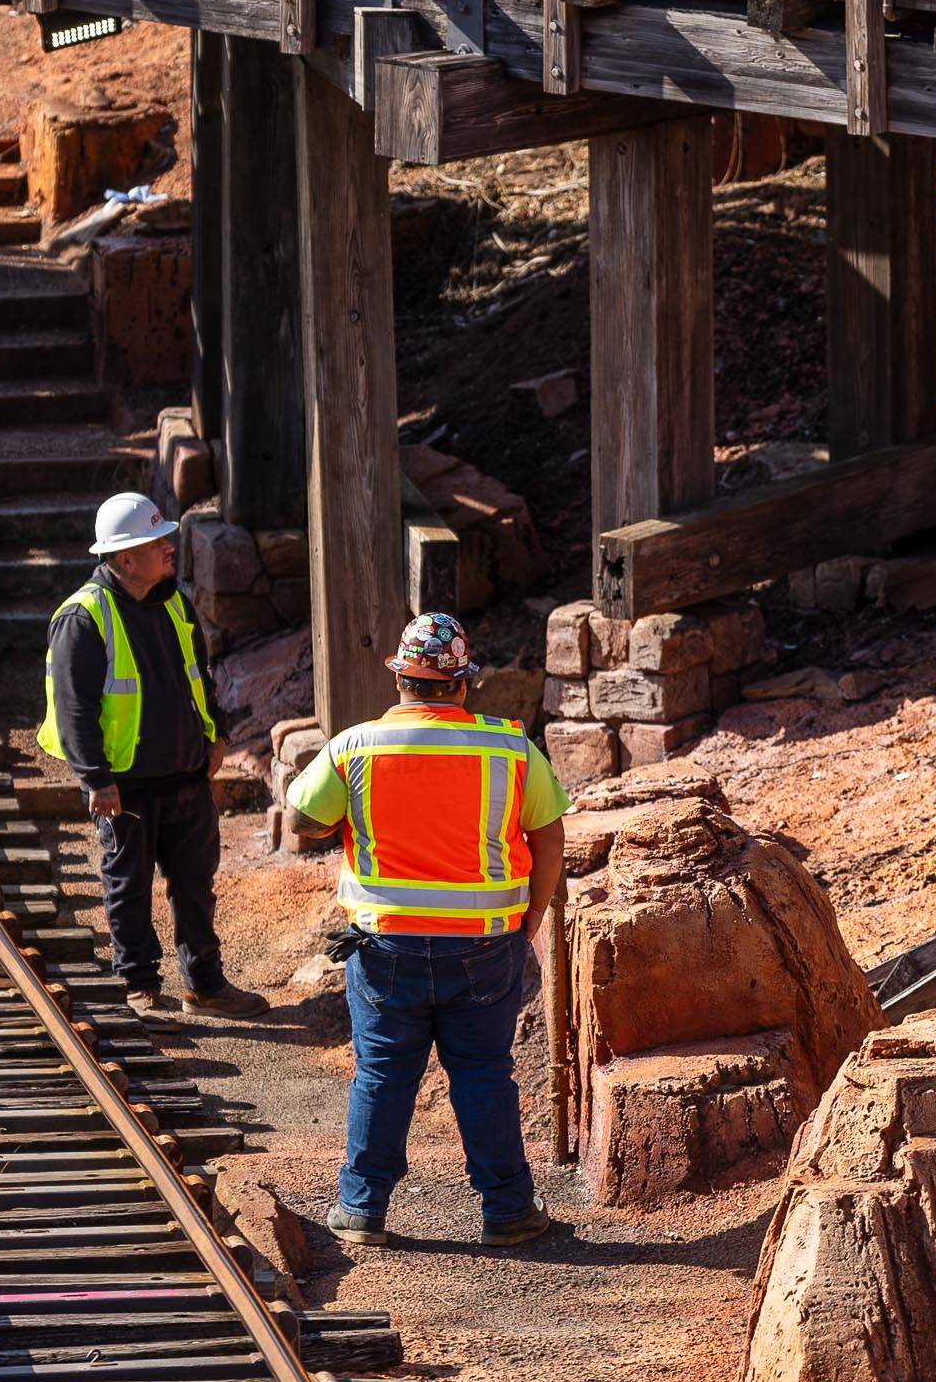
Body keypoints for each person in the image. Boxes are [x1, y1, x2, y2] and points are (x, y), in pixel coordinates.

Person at [284, 613, 568, 1250]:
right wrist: (531, 919)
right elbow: (549, 839)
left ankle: (361, 1210)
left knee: (382, 1073)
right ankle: (508, 1210)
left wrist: (351, 819)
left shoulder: (356, 747)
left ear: (401, 681)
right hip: (487, 945)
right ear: (463, 683)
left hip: (387, 946)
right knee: (484, 1073)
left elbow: (302, 820)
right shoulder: (511, 748)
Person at [40, 492, 269, 1028]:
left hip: (186, 775)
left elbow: (199, 675)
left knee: (196, 885)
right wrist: (96, 779)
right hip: (125, 785)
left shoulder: (173, 601)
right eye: (156, 541)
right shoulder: (83, 617)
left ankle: (206, 986)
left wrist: (216, 734)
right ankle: (139, 985)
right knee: (130, 884)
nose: (169, 547)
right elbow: (75, 709)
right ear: (124, 557)